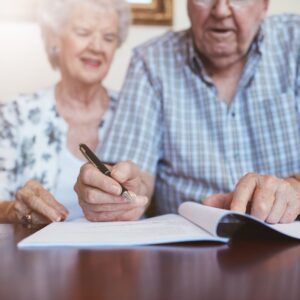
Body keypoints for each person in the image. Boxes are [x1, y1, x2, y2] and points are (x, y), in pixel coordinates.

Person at [75, 0, 300, 224]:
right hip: (187, 252)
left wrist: (295, 189)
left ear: (264, 4)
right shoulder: (150, 61)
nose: (221, 10)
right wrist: (117, 194)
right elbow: (136, 178)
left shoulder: (295, 41)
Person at [0, 0, 131, 223]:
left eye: (108, 37)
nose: (97, 47)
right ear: (54, 38)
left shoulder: (136, 111)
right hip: (43, 256)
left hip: (124, 254)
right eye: (83, 32)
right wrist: (16, 210)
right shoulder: (15, 114)